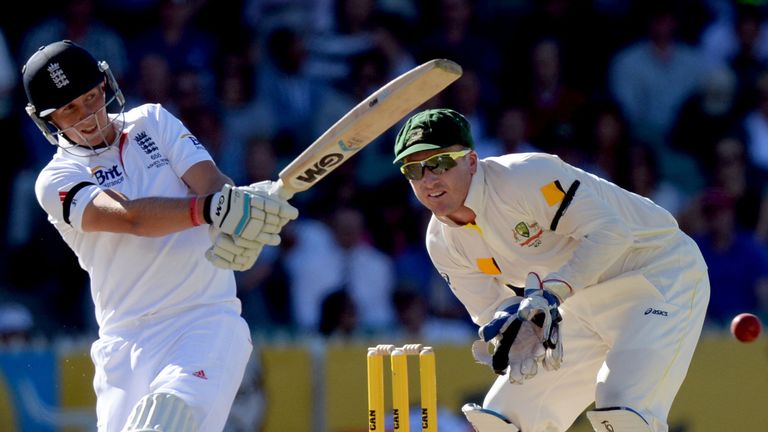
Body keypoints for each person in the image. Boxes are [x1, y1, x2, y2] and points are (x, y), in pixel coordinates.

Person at [21, 40, 298, 431]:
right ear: (47, 120)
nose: (88, 116)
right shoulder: (56, 180)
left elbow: (212, 184)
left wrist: (237, 213)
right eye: (70, 110)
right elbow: (130, 218)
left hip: (205, 321)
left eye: (90, 97)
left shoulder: (152, 121)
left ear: (105, 84)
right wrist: (209, 210)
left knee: (164, 421)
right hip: (123, 343)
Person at [392, 108, 710, 432]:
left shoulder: (525, 176)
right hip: (576, 303)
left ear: (471, 161)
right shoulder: (441, 242)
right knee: (503, 418)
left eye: (440, 164)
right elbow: (495, 310)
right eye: (414, 170)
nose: (428, 180)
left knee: (623, 413)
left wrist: (554, 292)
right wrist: (516, 331)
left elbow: (611, 234)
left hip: (655, 273)